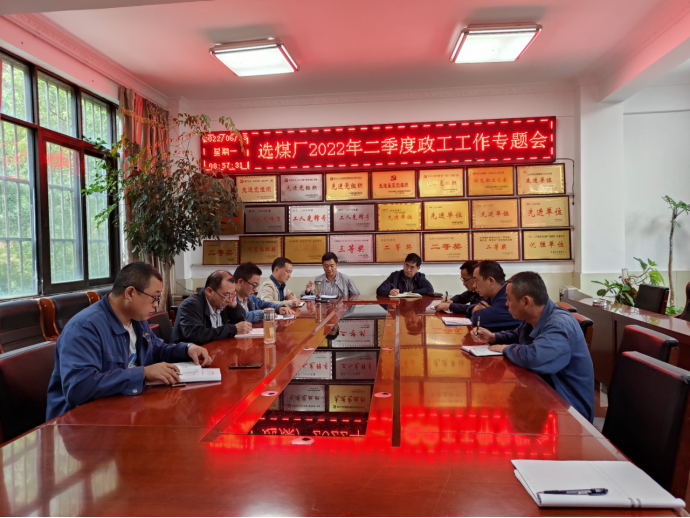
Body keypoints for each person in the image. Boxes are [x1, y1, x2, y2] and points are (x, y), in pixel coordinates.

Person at [46, 262, 212, 420]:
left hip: (124, 409)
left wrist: (187, 349)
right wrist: (143, 373)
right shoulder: (85, 328)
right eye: (154, 298)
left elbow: (156, 350)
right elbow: (79, 387)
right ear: (130, 293)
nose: (156, 305)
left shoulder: (136, 319)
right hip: (80, 423)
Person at [473, 271, 595, 423]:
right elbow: (516, 334)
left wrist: (505, 348)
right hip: (544, 398)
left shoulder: (558, 324)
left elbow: (535, 357)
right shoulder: (535, 317)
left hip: (569, 412)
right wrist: (494, 337)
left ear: (526, 302)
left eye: (509, 299)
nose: (506, 304)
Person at [171, 270, 252, 344]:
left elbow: (241, 322)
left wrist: (234, 307)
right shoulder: (191, 305)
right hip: (190, 354)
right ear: (209, 292)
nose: (229, 299)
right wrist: (232, 329)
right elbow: (196, 335)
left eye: (233, 294)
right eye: (226, 295)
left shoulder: (224, 302)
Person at [466, 261, 521, 331]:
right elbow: (479, 306)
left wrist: (474, 312)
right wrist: (473, 309)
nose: (474, 286)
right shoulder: (491, 296)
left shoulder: (507, 298)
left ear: (491, 281)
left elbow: (478, 318)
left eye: (476, 281)